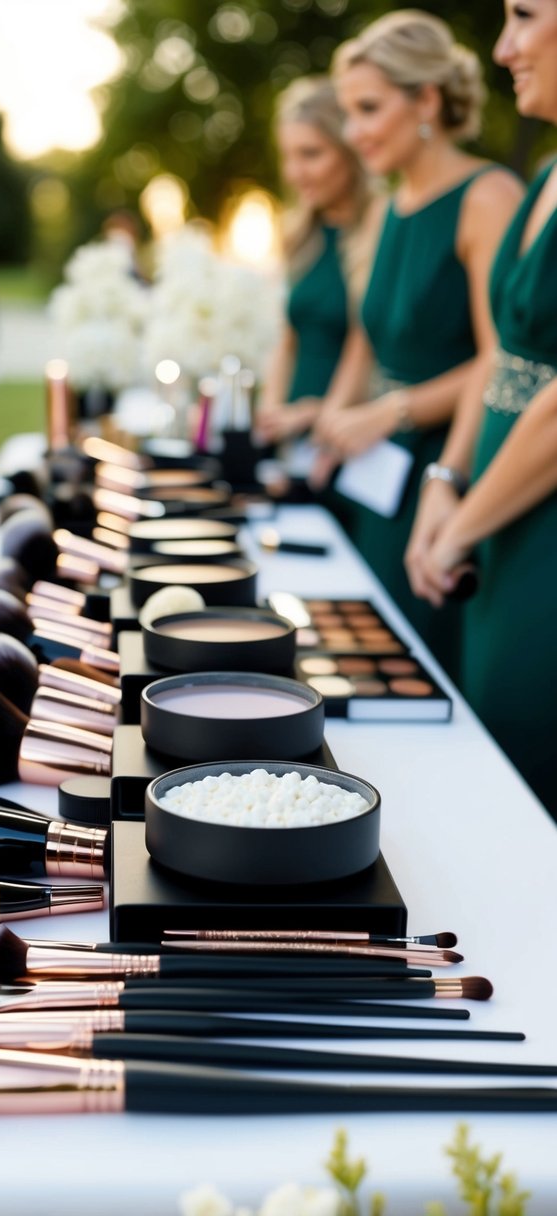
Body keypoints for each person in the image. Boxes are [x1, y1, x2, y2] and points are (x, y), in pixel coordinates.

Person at [314, 10, 523, 674]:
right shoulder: (390, 206)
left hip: (449, 469)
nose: (353, 134)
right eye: (346, 113)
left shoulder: (486, 196)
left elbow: (502, 360)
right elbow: (368, 339)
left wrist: (394, 418)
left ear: (425, 99)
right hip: (380, 474)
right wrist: (328, 420)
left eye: (368, 109)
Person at [407, 0, 557, 813]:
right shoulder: (543, 177)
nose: (502, 48)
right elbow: (500, 355)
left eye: (524, 15)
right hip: (493, 523)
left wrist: (461, 524)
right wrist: (445, 479)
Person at [253, 76, 378, 455]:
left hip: (353, 441)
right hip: (295, 445)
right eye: (288, 156)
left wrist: (316, 414)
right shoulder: (303, 235)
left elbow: (373, 351)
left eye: (310, 154)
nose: (295, 172)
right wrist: (273, 410)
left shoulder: (380, 227)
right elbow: (288, 341)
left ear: (350, 150)